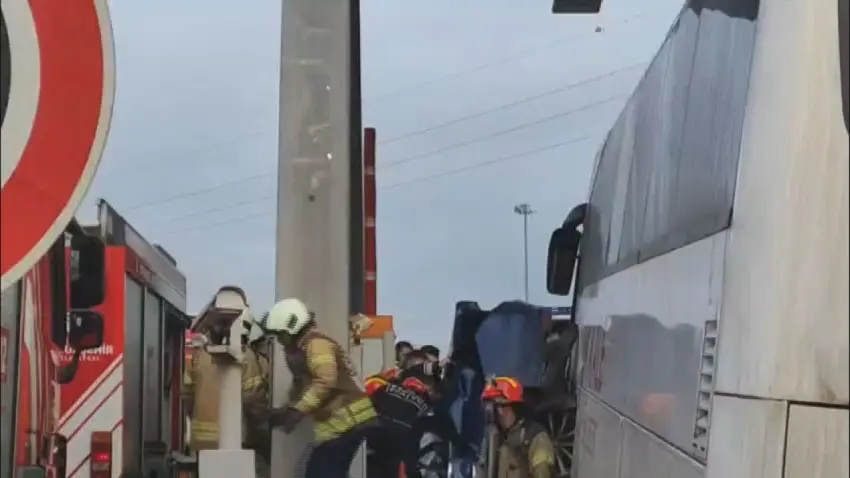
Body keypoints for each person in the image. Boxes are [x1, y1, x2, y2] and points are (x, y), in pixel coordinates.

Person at [260, 297, 377, 478]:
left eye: (280, 335)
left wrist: (296, 410)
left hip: (348, 420)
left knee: (321, 472)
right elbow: (303, 383)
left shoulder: (316, 345)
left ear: (293, 327)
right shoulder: (304, 346)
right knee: (324, 471)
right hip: (344, 422)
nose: (280, 340)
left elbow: (324, 381)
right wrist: (285, 411)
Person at [182, 327, 268, 454]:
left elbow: (187, 396)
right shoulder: (246, 356)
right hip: (233, 440)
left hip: (200, 440)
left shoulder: (198, 355)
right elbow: (253, 401)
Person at [480, 377, 555, 478]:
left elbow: (543, 473)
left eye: (491, 407)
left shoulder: (536, 438)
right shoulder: (496, 440)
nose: (488, 412)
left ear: (501, 409)